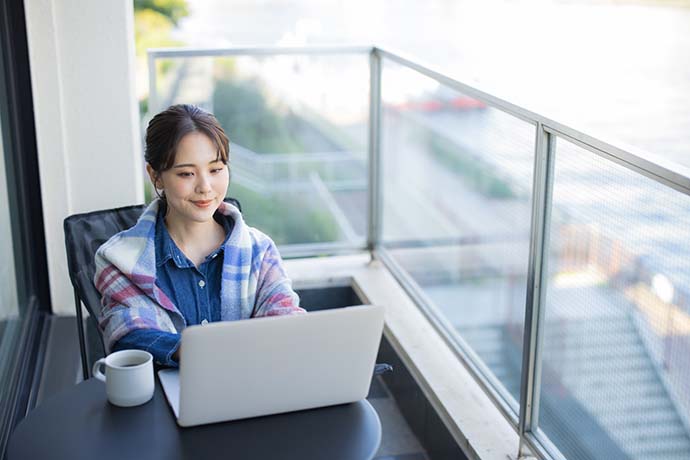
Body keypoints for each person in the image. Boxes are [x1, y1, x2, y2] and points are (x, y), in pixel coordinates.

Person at [94, 104, 305, 366]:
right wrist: (201, 352)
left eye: (216, 169)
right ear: (156, 176)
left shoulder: (260, 250)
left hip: (254, 393)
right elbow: (129, 331)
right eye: (186, 173)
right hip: (165, 399)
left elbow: (284, 317)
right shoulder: (119, 259)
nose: (205, 187)